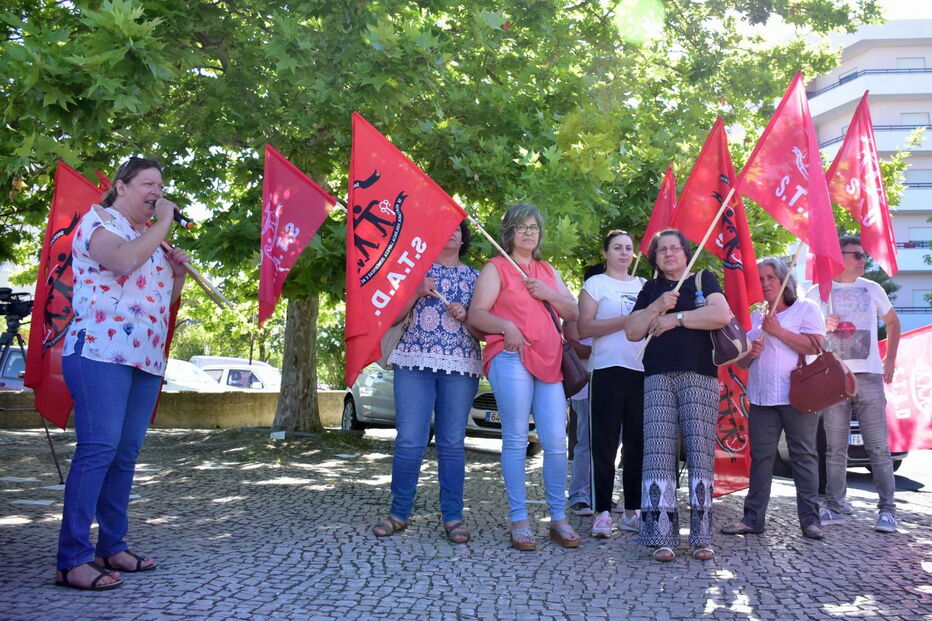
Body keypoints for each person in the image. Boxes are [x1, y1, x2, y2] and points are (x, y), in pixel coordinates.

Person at [55, 157, 189, 590]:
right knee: (98, 449)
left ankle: (111, 546)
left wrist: (177, 275)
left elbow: (160, 301)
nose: (157, 192)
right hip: (99, 353)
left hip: (144, 358)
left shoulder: (150, 240)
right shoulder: (100, 223)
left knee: (125, 454)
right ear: (121, 186)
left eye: (161, 187)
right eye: (149, 184)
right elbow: (121, 263)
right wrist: (163, 223)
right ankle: (71, 559)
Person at [467, 203, 581, 550]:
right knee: (517, 438)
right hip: (511, 357)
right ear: (509, 233)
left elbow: (574, 312)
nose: (529, 233)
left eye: (534, 227)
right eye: (521, 227)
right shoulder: (497, 267)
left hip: (550, 360)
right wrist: (507, 326)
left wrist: (549, 293)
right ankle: (519, 519)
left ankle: (558, 518)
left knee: (556, 440)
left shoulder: (547, 270)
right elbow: (476, 315)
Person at [371, 222, 482, 544]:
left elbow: (484, 329)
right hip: (412, 363)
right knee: (409, 440)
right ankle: (399, 512)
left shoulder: (476, 278)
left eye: (458, 229)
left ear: (464, 238)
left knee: (452, 443)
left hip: (461, 366)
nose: (452, 232)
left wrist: (467, 316)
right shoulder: (413, 273)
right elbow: (389, 317)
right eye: (447, 228)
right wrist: (416, 291)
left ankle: (453, 516)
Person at [625, 229, 730, 562]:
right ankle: (661, 537)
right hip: (657, 376)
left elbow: (721, 315)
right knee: (657, 454)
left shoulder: (702, 279)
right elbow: (632, 331)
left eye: (675, 248)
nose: (669, 253)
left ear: (686, 253)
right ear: (655, 258)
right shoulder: (650, 289)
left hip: (700, 376)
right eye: (662, 250)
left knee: (700, 454)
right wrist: (657, 306)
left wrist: (676, 319)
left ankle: (702, 538)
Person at [720, 257, 826, 540]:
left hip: (798, 396)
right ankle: (752, 518)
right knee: (761, 458)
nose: (765, 283)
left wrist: (778, 331)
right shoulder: (756, 317)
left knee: (803, 456)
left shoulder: (806, 308)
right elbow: (741, 363)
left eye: (771, 278)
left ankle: (811, 521)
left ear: (784, 281)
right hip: (762, 398)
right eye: (761, 279)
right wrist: (749, 355)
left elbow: (816, 346)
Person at [807, 235, 901, 533]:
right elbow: (806, 334)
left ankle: (887, 511)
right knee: (835, 448)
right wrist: (823, 326)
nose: (864, 260)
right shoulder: (817, 292)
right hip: (833, 378)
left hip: (868, 376)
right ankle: (835, 506)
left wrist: (890, 359)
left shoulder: (872, 288)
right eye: (858, 255)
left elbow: (893, 321)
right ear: (840, 257)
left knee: (878, 447)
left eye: (864, 256)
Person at [577, 230, 645, 537]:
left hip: (641, 370)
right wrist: (624, 321)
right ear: (606, 253)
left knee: (636, 445)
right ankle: (602, 511)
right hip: (606, 369)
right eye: (617, 248)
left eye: (629, 248)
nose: (624, 253)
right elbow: (584, 327)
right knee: (603, 444)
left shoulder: (644, 285)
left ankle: (633, 511)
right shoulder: (595, 284)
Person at [563, 320, 592, 517]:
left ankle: (597, 492)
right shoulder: (577, 310)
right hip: (585, 385)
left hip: (612, 381)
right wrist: (602, 349)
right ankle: (579, 494)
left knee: (608, 445)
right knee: (586, 442)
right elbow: (571, 343)